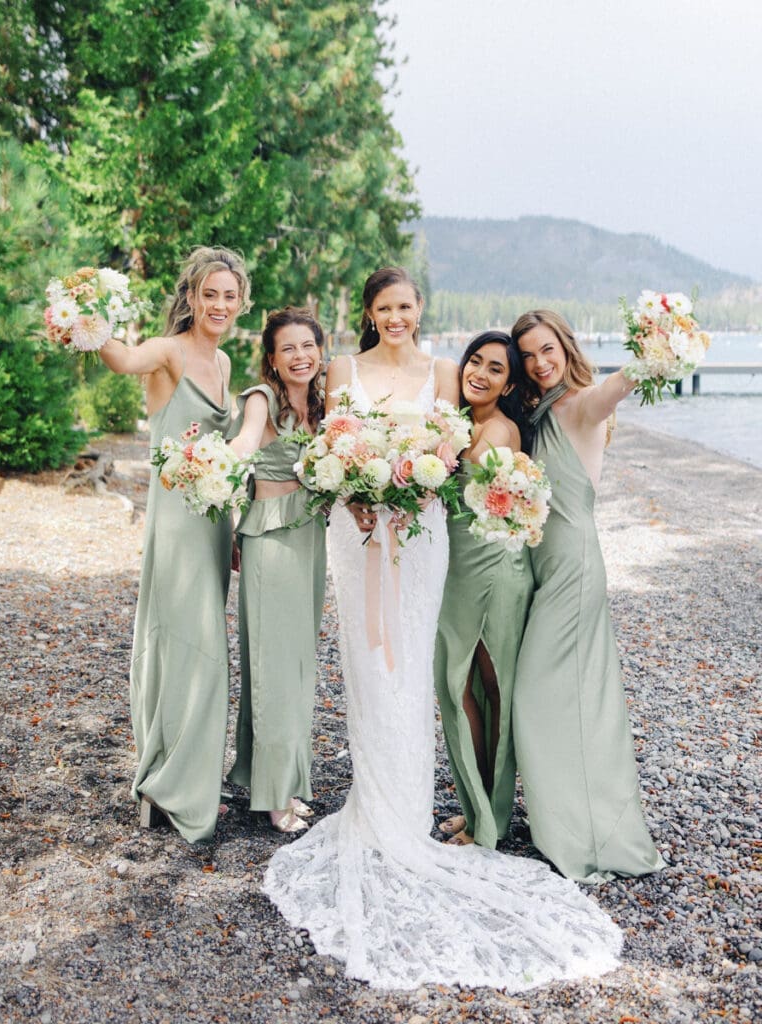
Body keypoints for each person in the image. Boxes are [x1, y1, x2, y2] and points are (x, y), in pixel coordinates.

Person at [261, 269, 623, 992]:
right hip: (354, 530)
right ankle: (375, 807)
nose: (396, 317)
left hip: (423, 533)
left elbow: (465, 447)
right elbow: (329, 444)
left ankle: (414, 810)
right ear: (370, 313)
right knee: (367, 668)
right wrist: (351, 492)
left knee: (414, 670)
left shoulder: (445, 373)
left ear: (419, 310)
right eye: (384, 308)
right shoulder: (342, 368)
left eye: (406, 306)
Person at [99, 245, 251, 843]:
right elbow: (119, 358)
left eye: (229, 295)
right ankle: (171, 783)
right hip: (175, 523)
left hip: (212, 523)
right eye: (209, 293)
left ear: (241, 302)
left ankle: (168, 779)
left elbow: (228, 456)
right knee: (192, 647)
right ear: (191, 297)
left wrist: (235, 527)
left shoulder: (227, 363)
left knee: (200, 640)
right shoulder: (166, 353)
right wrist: (88, 314)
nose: (218, 304)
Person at [511, 309, 666, 883]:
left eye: (546, 348)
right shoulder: (537, 412)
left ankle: (579, 830)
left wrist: (660, 344)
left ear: (566, 346)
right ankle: (568, 817)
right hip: (544, 566)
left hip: (574, 567)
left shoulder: (581, 404)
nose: (539, 362)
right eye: (527, 354)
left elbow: (618, 388)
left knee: (540, 697)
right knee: (566, 698)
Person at [225, 307, 327, 834]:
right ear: (271, 358)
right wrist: (224, 460)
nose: (299, 356)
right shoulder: (262, 399)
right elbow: (245, 442)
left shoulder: (323, 403)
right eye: (287, 348)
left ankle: (270, 775)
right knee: (273, 666)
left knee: (297, 663)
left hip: (310, 538)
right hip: (270, 539)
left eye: (307, 345)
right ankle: (272, 793)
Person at [434, 330, 534, 849]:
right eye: (475, 361)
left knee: (492, 689)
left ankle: (490, 817)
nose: (481, 373)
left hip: (493, 569)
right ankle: (474, 806)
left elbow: (486, 498)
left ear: (508, 382)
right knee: (461, 688)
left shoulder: (497, 431)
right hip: (454, 570)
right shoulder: (458, 420)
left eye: (496, 369)